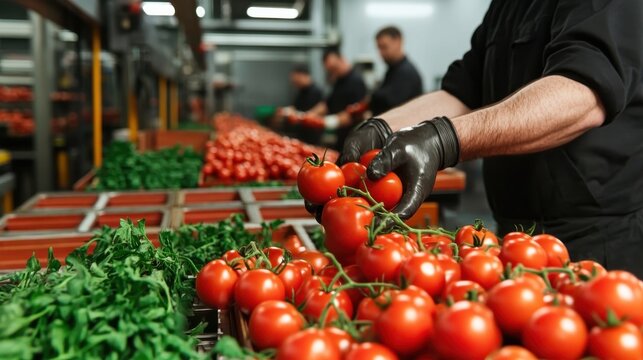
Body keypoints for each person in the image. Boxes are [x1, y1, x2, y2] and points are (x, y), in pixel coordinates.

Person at [329, 1, 643, 276]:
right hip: (513, 234)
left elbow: (582, 94)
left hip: (597, 241)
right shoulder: (506, 6)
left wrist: (445, 139)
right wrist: (382, 128)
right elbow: (462, 92)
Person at [306, 48, 367, 149]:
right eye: (330, 70)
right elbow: (327, 104)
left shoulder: (356, 81)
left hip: (355, 138)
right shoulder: (338, 81)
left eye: (334, 68)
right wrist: (308, 115)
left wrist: (328, 121)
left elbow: (356, 113)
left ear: (342, 59)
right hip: (341, 136)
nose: (333, 72)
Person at [370, 26, 423, 115]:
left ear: (398, 42)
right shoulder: (393, 70)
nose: (381, 53)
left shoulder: (406, 73)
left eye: (384, 47)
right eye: (379, 48)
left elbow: (391, 105)